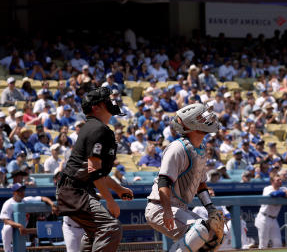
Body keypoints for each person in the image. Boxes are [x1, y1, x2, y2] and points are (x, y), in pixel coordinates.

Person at [56, 87, 132, 252]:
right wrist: (110, 201)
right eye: (106, 100)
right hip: (74, 190)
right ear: (96, 107)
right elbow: (94, 171)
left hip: (77, 189)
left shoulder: (95, 127)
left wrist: (118, 189)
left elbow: (99, 173)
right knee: (110, 228)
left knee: (95, 234)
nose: (110, 102)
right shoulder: (97, 129)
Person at [145, 103, 226, 252]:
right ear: (192, 123)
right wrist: (167, 210)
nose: (208, 118)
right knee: (200, 230)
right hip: (160, 206)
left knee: (214, 236)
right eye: (202, 117)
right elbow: (164, 181)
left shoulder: (201, 149)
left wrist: (210, 208)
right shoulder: (177, 148)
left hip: (180, 207)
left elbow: (201, 184)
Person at [2, 183, 58, 252]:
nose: (22, 192)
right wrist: (19, 225)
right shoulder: (8, 203)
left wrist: (52, 204)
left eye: (23, 190)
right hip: (13, 230)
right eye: (19, 191)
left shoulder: (26, 200)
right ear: (14, 193)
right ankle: (7, 250)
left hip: (24, 229)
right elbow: (6, 220)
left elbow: (43, 198)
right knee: (8, 227)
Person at [256, 171, 287, 249]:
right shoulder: (267, 188)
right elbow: (274, 195)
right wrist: (284, 193)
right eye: (278, 180)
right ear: (272, 181)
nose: (280, 181)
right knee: (263, 245)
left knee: (278, 244)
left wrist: (283, 193)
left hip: (274, 219)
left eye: (280, 180)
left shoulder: (283, 188)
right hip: (264, 218)